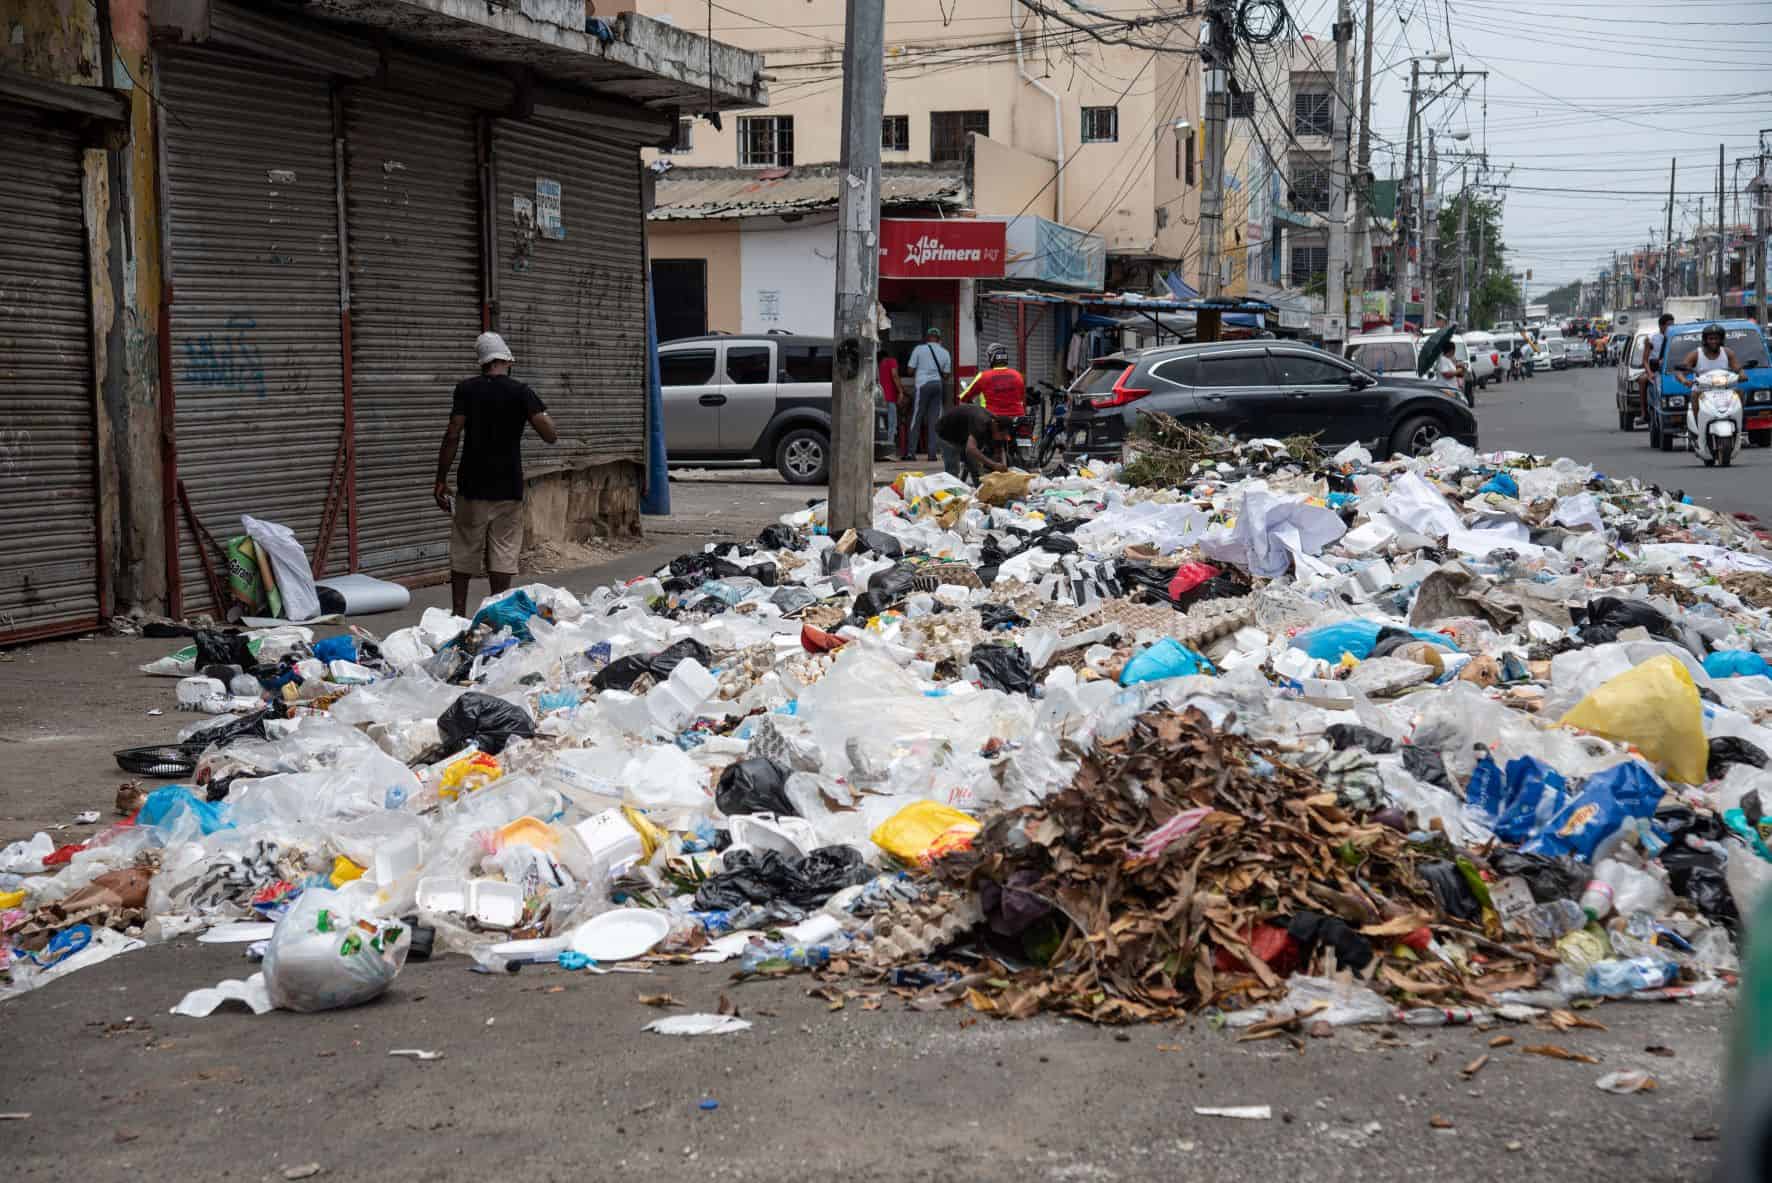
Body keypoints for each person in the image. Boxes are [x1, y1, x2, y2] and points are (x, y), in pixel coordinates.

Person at [434, 331, 558, 618]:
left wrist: (440, 479)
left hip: (472, 484)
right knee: (503, 552)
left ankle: (458, 615)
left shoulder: (466, 390)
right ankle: (497, 613)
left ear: (482, 363)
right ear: (507, 360)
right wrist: (535, 410)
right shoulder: (521, 391)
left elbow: (453, 433)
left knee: (465, 549)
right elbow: (550, 435)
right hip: (508, 486)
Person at [903, 327, 952, 461]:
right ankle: (932, 454)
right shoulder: (945, 352)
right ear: (939, 339)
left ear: (927, 337)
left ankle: (910, 453)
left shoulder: (919, 349)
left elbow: (910, 371)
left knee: (916, 418)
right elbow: (946, 375)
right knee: (934, 421)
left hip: (923, 385)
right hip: (937, 385)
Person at [934, 402, 1010, 483]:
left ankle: (979, 489)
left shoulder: (996, 423)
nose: (1002, 438)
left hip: (963, 434)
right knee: (952, 471)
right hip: (946, 433)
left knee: (974, 465)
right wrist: (994, 465)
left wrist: (1001, 464)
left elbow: (1000, 448)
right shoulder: (980, 423)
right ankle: (952, 492)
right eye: (1001, 435)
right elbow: (971, 449)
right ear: (995, 426)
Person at [958, 342, 1027, 422]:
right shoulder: (1018, 375)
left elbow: (964, 397)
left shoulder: (983, 376)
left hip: (992, 421)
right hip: (1017, 420)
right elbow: (1021, 398)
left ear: (991, 358)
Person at [1673, 323, 1741, 386]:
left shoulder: (1728, 353)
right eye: (1711, 339)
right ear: (1705, 340)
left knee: (1739, 392)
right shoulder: (1695, 354)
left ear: (1721, 340)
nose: (1713, 341)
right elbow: (1680, 372)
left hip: (1725, 388)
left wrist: (1742, 374)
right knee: (1694, 394)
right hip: (1701, 389)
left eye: (1716, 338)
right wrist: (1684, 380)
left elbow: (1737, 368)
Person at [877, 349, 903, 456]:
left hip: (879, 399)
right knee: (892, 423)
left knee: (882, 424)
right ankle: (889, 449)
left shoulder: (876, 364)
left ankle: (883, 448)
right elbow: (894, 375)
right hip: (890, 398)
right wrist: (901, 391)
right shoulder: (891, 361)